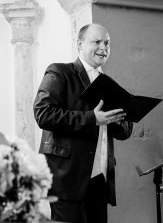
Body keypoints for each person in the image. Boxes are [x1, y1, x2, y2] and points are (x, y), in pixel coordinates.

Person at [33, 23, 133, 223]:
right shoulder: (60, 72)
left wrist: (124, 117)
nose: (103, 47)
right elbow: (43, 113)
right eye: (97, 42)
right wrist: (91, 119)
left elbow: (123, 132)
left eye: (107, 43)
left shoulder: (110, 83)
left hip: (99, 178)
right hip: (66, 177)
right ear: (79, 44)